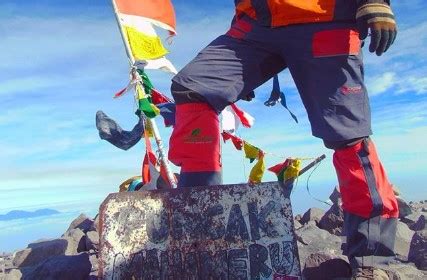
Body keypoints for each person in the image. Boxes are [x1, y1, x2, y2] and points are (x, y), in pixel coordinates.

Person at [168, 1, 399, 279]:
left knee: (347, 133)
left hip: (326, 18)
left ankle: (371, 259)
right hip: (257, 26)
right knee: (196, 88)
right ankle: (198, 224)